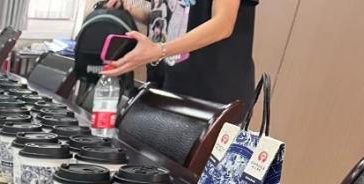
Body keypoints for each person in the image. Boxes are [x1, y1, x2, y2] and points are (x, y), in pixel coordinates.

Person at [103, 0, 258, 107]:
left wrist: (159, 50)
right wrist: (128, 6)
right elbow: (163, 18)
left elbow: (223, 24)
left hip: (211, 94)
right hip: (164, 87)